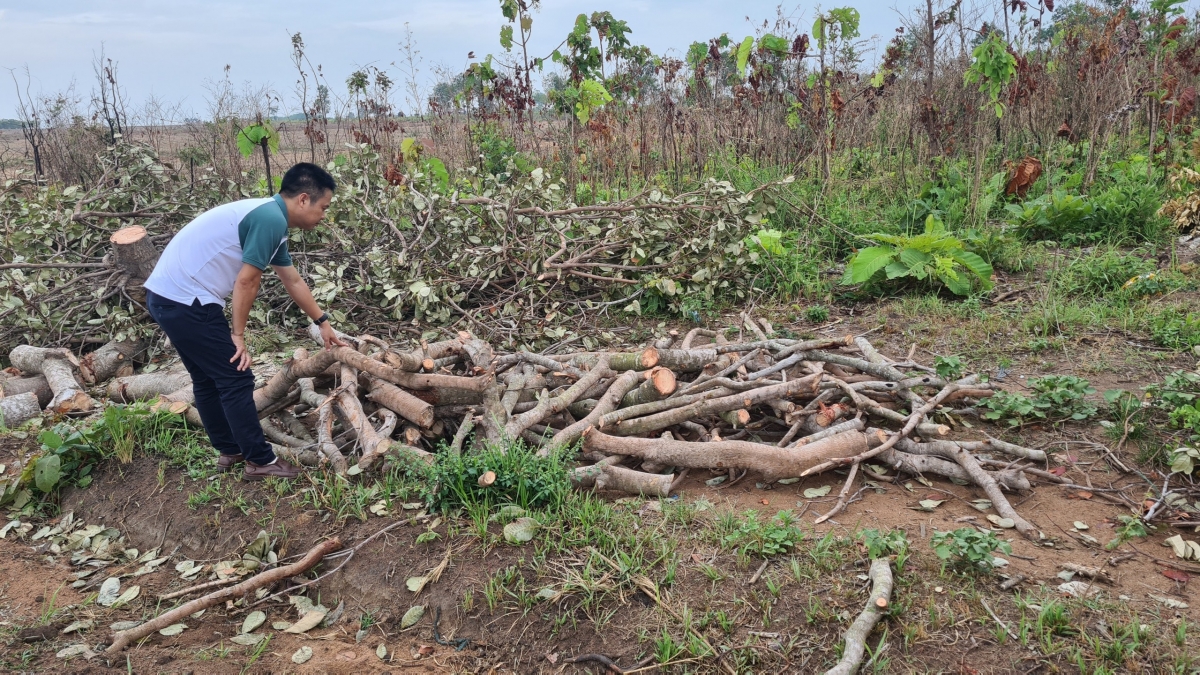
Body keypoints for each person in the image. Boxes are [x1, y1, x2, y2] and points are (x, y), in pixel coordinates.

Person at [144, 163, 348, 480]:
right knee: (236, 378)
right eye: (324, 207)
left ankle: (231, 451)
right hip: (187, 299)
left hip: (167, 297)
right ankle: (260, 461)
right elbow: (246, 282)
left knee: (209, 379)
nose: (324, 216)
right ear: (304, 199)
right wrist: (237, 336)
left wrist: (322, 322)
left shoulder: (270, 218)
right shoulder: (269, 218)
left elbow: (292, 280)